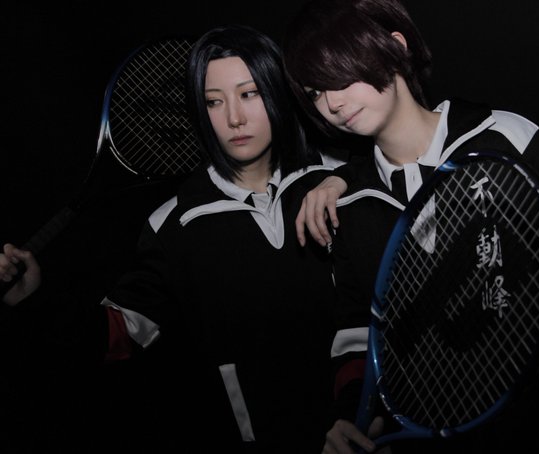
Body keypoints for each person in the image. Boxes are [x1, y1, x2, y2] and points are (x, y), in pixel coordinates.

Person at [282, 1, 539, 453]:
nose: (332, 103)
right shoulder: (348, 203)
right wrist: (351, 416)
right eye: (315, 92)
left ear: (395, 49)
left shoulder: (513, 142)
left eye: (341, 76)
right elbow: (358, 337)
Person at [1, 24, 342, 452]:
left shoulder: (339, 179)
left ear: (277, 90)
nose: (234, 118)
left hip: (360, 428)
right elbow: (121, 333)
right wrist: (35, 300)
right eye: (213, 101)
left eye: (249, 93)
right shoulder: (173, 224)